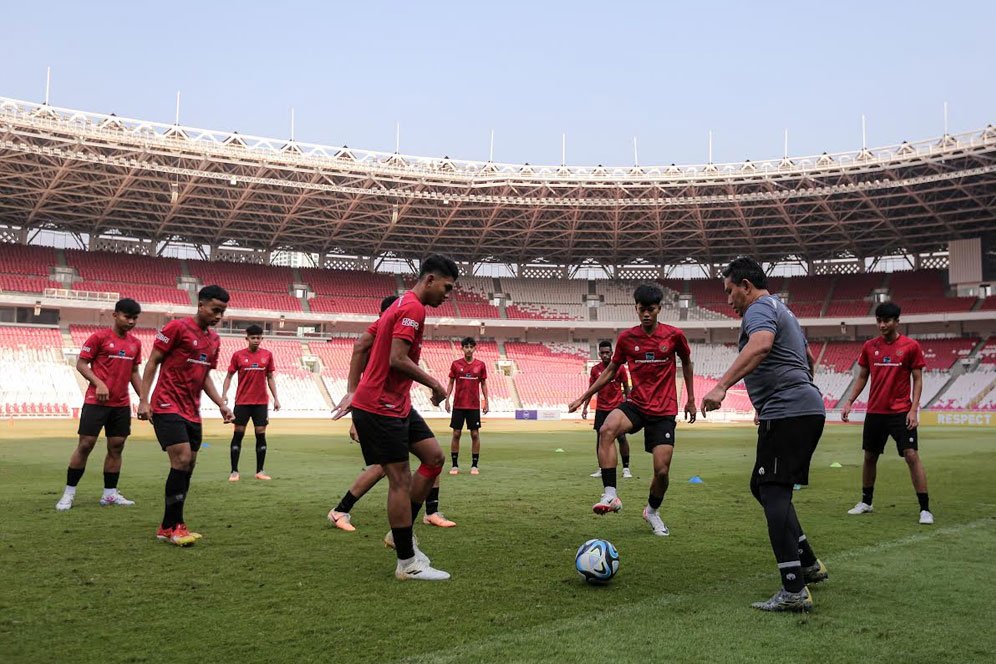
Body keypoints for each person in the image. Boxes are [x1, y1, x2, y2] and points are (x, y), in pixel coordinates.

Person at [701, 256, 828, 612]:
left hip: (789, 411)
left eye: (730, 291)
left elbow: (761, 346)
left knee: (772, 492)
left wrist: (722, 386)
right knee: (764, 487)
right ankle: (808, 563)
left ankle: (794, 589)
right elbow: (808, 359)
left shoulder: (757, 310)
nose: (728, 300)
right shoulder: (783, 310)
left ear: (745, 285)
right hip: (800, 407)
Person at [332, 255, 458, 581]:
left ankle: (398, 535)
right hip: (379, 406)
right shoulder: (412, 308)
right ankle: (407, 562)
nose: (448, 295)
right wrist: (434, 383)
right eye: (447, 288)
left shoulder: (397, 304)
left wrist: (351, 390)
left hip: (394, 403)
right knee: (400, 478)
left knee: (434, 458)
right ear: (430, 279)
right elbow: (397, 358)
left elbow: (362, 343)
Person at [568, 283, 696, 537]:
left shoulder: (674, 336)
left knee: (661, 471)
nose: (646, 314)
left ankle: (652, 511)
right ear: (636, 309)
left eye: (651, 309)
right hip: (636, 403)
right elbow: (611, 371)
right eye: (641, 309)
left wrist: (691, 398)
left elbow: (687, 362)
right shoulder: (627, 338)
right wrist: (585, 395)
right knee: (606, 429)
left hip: (663, 410)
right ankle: (611, 494)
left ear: (659, 308)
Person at [328, 295, 455, 531]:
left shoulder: (391, 335)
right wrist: (354, 408)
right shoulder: (381, 338)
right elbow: (362, 357)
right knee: (386, 468)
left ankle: (431, 511)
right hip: (379, 409)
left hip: (398, 406)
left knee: (431, 456)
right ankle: (341, 510)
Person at [138, 285, 234, 547]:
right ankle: (176, 527)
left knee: (189, 464)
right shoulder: (175, 328)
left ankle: (168, 525)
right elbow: (152, 361)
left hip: (192, 410)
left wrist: (221, 404)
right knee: (180, 459)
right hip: (167, 404)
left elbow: (204, 377)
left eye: (222, 312)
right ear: (200, 305)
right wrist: (144, 400)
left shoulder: (214, 340)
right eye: (215, 310)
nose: (218, 316)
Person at [840, 302, 933, 524]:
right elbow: (862, 376)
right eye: (879, 321)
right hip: (875, 412)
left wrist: (913, 409)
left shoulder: (911, 346)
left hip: (901, 412)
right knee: (870, 456)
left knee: (911, 455)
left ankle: (925, 509)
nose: (882, 325)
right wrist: (849, 401)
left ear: (897, 321)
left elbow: (918, 379)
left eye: (887, 321)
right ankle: (866, 502)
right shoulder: (870, 347)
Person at [56, 298, 143, 511]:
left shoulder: (135, 343)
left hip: (121, 404)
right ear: (115, 315)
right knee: (85, 445)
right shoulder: (99, 338)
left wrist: (145, 399)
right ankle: (69, 493)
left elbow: (133, 373)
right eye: (127, 317)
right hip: (96, 402)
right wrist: (99, 383)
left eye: (134, 318)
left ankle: (110, 495)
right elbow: (81, 364)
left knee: (117, 446)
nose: (131, 322)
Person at [222, 324, 281, 482]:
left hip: (261, 403)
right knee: (238, 435)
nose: (256, 340)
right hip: (242, 402)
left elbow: (270, 377)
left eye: (258, 338)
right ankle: (234, 471)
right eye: (253, 338)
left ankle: (260, 471)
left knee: (260, 436)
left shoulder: (267, 355)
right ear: (246, 338)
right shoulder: (238, 355)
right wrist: (224, 394)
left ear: (262, 338)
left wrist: (276, 398)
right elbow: (229, 376)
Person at [582, 340, 632, 479]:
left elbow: (626, 387)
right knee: (600, 439)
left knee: (621, 437)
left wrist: (629, 403)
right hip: (601, 409)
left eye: (607, 353)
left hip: (616, 408)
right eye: (602, 353)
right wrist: (585, 407)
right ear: (599, 354)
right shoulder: (595, 370)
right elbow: (591, 390)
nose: (605, 355)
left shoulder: (620, 368)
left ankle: (626, 468)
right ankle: (601, 467)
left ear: (612, 353)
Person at [445, 337, 489, 475]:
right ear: (462, 348)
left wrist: (486, 401)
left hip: (473, 406)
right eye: (466, 346)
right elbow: (451, 382)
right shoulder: (456, 364)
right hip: (458, 405)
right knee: (456, 434)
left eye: (471, 347)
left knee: (475, 434)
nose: (469, 349)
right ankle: (454, 465)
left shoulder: (480, 365)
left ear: (475, 348)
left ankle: (474, 465)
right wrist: (447, 399)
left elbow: (483, 383)